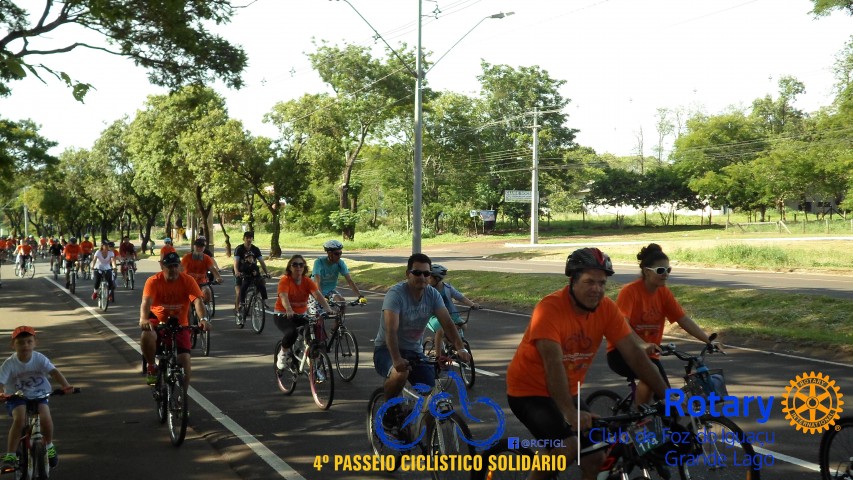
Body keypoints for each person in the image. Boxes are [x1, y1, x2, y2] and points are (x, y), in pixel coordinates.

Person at [505, 247, 669, 480]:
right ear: (572, 281)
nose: (597, 289)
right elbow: (553, 365)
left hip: (569, 390)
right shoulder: (549, 309)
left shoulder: (606, 309)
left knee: (596, 458)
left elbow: (635, 354)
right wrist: (569, 413)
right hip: (529, 392)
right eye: (589, 282)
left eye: (602, 283)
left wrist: (669, 397)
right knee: (567, 448)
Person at [607, 243, 720, 407]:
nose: (665, 274)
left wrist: (708, 341)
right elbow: (622, 323)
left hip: (650, 356)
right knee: (651, 380)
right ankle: (640, 418)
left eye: (668, 270)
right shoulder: (630, 291)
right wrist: (641, 344)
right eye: (661, 270)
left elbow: (683, 319)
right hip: (622, 352)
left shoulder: (663, 293)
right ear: (647, 271)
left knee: (667, 403)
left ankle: (655, 417)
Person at [373, 253, 471, 405]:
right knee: (400, 373)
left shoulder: (433, 295)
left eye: (426, 273)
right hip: (386, 349)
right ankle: (388, 409)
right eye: (417, 273)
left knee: (432, 394)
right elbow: (391, 330)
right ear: (408, 274)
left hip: (414, 352)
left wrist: (460, 348)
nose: (422, 277)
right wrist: (397, 359)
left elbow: (447, 323)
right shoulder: (396, 294)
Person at [0, 326, 73, 471]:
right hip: (16, 396)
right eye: (21, 342)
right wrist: (2, 394)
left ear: (35, 343)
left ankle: (49, 446)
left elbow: (54, 372)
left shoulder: (39, 358)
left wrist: (66, 386)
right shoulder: (9, 363)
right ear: (13, 345)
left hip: (39, 394)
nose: (25, 345)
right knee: (20, 418)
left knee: (45, 417)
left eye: (29, 341)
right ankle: (11, 455)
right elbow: (1, 382)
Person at [139, 252, 210, 386]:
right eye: (169, 266)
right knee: (146, 335)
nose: (173, 269)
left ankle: (183, 395)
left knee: (185, 359)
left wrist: (203, 319)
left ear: (179, 266)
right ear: (162, 266)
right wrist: (143, 319)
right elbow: (146, 303)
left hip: (180, 324)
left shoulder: (188, 280)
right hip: (158, 321)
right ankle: (151, 366)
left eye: (175, 266)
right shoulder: (153, 281)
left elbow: (198, 301)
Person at [273, 255, 333, 371]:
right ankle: (282, 354)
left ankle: (313, 359)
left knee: (315, 330)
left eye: (301, 264)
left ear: (304, 267)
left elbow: (317, 295)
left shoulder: (307, 281)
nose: (298, 267)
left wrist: (328, 309)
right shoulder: (285, 280)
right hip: (283, 314)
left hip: (301, 315)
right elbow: (283, 296)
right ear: (290, 267)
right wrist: (289, 309)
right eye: (295, 264)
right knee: (292, 333)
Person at [424, 263, 479, 355]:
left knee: (463, 325)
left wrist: (472, 304)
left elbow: (461, 298)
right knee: (441, 331)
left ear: (437, 278)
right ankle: (438, 356)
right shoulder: (426, 290)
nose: (427, 279)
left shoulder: (447, 288)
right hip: (433, 317)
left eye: (430, 277)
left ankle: (451, 343)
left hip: (451, 315)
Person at [232, 231, 269, 316]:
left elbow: (262, 262)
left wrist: (267, 272)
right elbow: (236, 263)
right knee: (239, 291)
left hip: (252, 272)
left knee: (262, 282)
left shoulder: (255, 249)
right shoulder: (239, 249)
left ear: (252, 239)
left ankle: (256, 297)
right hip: (241, 272)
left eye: (250, 238)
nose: (249, 239)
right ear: (243, 239)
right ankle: (238, 309)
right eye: (247, 238)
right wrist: (237, 272)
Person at [181, 238, 223, 306]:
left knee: (207, 291)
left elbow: (212, 269)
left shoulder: (206, 258)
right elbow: (180, 270)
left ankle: (205, 306)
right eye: (197, 246)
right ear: (194, 247)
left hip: (202, 282)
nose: (199, 248)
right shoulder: (187, 257)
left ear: (204, 248)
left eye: (201, 247)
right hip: (188, 283)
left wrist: (218, 278)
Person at [235, 251, 268, 325]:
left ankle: (264, 299)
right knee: (243, 289)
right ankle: (242, 302)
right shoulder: (244, 265)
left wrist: (257, 273)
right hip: (247, 279)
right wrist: (242, 274)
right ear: (246, 259)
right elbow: (242, 270)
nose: (251, 259)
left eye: (252, 258)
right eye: (249, 258)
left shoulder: (255, 266)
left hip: (254, 280)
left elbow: (258, 273)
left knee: (262, 286)